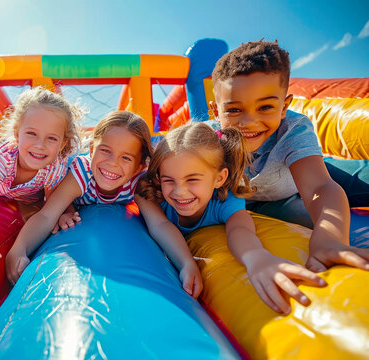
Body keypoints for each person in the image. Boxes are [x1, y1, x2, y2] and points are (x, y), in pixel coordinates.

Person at [209, 40, 369, 272]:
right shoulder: (208, 140)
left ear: (284, 108)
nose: (249, 122)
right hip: (268, 200)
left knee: (356, 181)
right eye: (234, 110)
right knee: (303, 217)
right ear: (216, 111)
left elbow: (319, 187)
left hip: (304, 172)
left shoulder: (291, 129)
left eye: (265, 108)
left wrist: (330, 239)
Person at [136, 123, 326, 313]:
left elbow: (239, 228)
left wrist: (255, 258)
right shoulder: (148, 191)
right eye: (169, 180)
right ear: (159, 177)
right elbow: (160, 224)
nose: (180, 192)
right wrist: (186, 263)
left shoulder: (225, 198)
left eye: (192, 179)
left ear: (219, 178)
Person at [5, 110, 153, 284]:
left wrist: (186, 262)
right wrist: (18, 250)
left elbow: (159, 223)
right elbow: (47, 215)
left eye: (126, 158)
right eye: (105, 150)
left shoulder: (138, 182)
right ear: (91, 150)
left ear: (138, 167)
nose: (113, 162)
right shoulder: (82, 173)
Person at [0, 87, 82, 275]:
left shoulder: (54, 166)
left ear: (63, 143)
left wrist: (66, 213)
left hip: (28, 200)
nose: (40, 145)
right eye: (31, 133)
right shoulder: (5, 157)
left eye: (51, 138)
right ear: (17, 131)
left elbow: (51, 206)